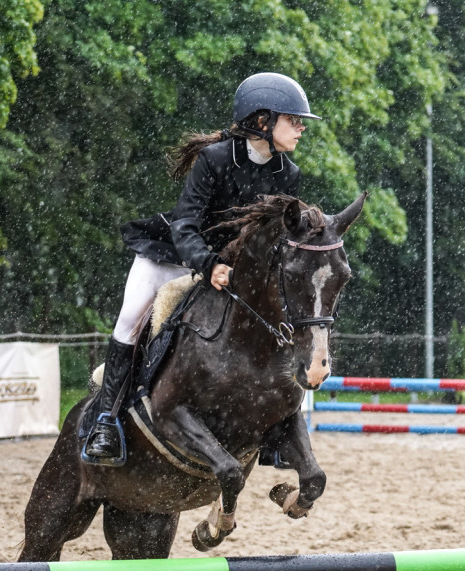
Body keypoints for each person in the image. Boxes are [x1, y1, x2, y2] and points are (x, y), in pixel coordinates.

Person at [83, 72, 321, 466]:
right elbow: (185, 225)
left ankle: (275, 433)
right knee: (130, 323)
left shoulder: (287, 174)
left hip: (229, 272)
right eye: (292, 119)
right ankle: (106, 422)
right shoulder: (214, 160)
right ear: (262, 122)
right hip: (173, 257)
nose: (300, 128)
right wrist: (208, 264)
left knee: (275, 325)